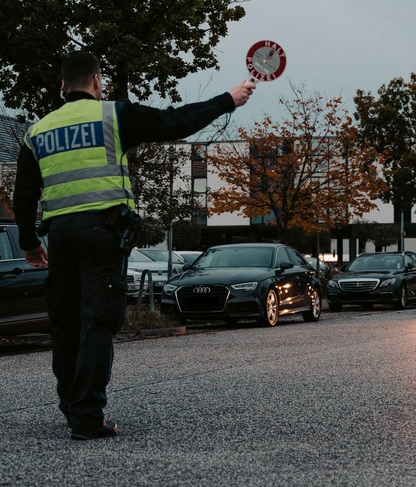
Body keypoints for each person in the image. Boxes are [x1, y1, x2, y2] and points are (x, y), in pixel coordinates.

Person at [14, 50, 254, 440]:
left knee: (66, 322)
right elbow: (175, 121)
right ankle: (87, 415)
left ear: (62, 87)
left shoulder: (38, 131)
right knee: (99, 320)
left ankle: (71, 404)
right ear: (97, 81)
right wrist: (228, 99)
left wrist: (29, 242)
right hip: (102, 233)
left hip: (60, 235)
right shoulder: (113, 115)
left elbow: (24, 194)